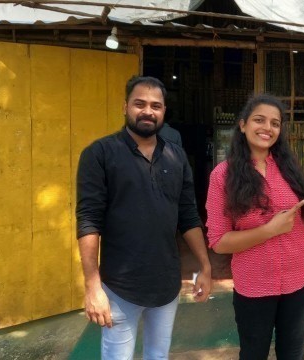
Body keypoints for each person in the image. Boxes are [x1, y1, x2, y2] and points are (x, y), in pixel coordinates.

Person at [205, 94, 304, 359]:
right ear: (243, 125)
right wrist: (269, 230)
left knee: (292, 353)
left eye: (275, 123)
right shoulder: (222, 175)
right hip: (254, 285)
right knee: (253, 353)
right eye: (259, 120)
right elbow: (219, 241)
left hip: (298, 281)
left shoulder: (288, 169)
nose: (267, 128)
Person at [76, 76, 212, 360]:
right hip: (120, 286)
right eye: (140, 104)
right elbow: (89, 220)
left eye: (156, 106)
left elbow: (188, 216)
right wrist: (92, 285)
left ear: (163, 112)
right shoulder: (99, 154)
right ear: (125, 107)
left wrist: (205, 265)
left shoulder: (176, 157)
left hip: (166, 285)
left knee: (158, 356)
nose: (148, 111)